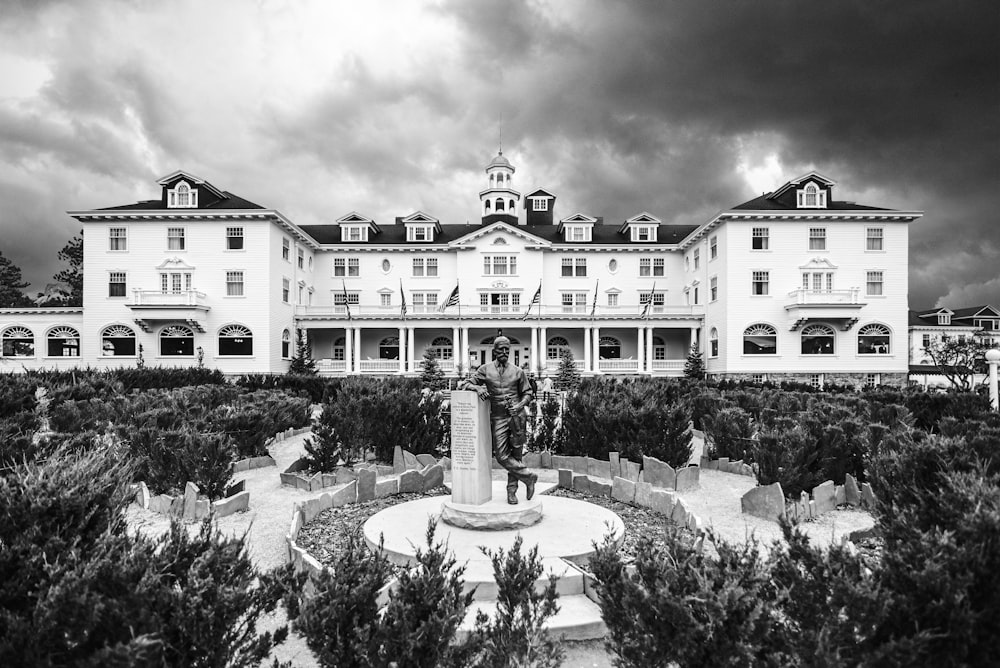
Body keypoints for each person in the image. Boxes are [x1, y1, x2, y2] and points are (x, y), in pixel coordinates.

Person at [461, 335, 538, 505]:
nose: (504, 352)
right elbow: (465, 384)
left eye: (507, 350)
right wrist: (477, 388)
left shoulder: (518, 371)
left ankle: (512, 492)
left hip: (517, 417)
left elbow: (528, 393)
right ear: (494, 351)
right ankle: (528, 477)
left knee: (516, 455)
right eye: (501, 349)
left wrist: (519, 406)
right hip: (498, 417)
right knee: (502, 455)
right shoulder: (485, 369)